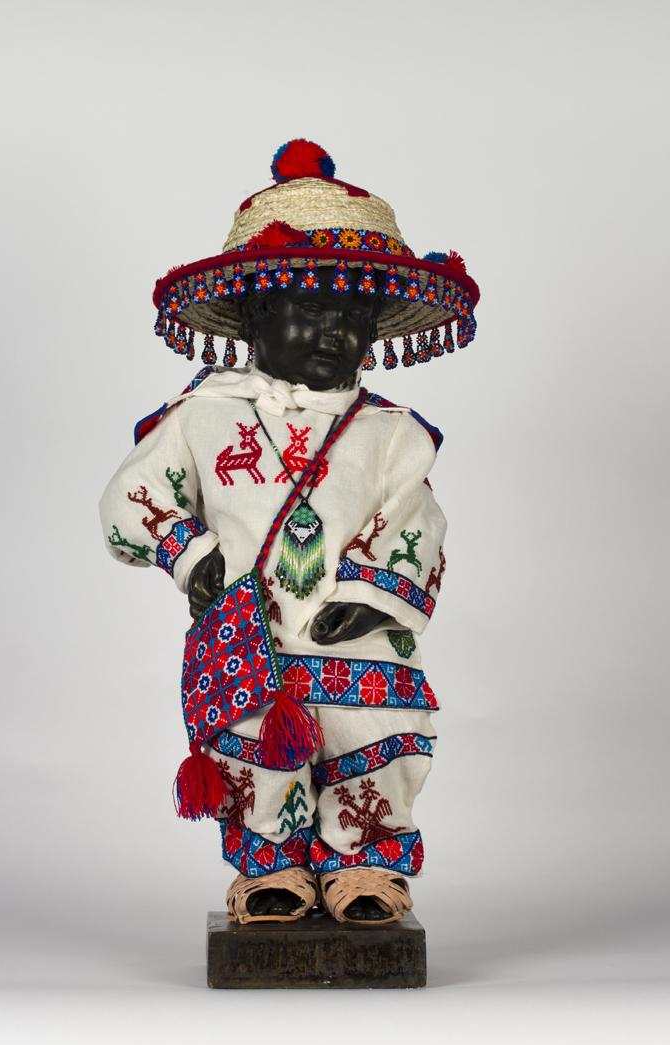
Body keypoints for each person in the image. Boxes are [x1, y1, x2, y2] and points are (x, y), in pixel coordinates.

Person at [99, 139, 479, 925]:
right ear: (255, 316)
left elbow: (415, 518)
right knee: (250, 749)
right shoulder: (201, 417)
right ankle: (270, 866)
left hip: (359, 639)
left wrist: (375, 594)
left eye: (352, 316)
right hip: (251, 635)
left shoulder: (392, 432)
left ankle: (365, 865)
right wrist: (189, 554)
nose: (334, 331)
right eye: (310, 310)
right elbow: (133, 496)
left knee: (376, 736)